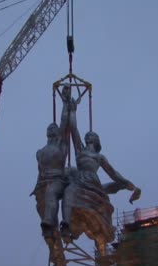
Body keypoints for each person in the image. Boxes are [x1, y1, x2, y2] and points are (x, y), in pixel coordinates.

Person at [60, 96, 141, 254]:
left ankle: (101, 244)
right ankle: (66, 223)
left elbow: (112, 173)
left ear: (96, 140)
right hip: (80, 179)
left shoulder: (99, 157)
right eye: (88, 135)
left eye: (93, 135)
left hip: (93, 182)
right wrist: (73, 109)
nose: (89, 135)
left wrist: (127, 182)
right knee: (69, 192)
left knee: (100, 208)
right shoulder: (80, 150)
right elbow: (73, 128)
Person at [30, 85, 74, 266]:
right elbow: (39, 173)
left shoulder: (61, 144)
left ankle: (51, 220)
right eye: (49, 127)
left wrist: (65, 101)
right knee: (47, 232)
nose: (52, 127)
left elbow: (64, 122)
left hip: (57, 181)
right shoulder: (39, 152)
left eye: (54, 127)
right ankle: (59, 260)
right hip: (42, 185)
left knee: (51, 198)